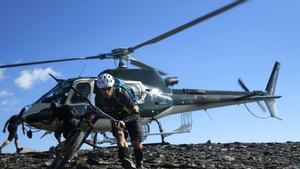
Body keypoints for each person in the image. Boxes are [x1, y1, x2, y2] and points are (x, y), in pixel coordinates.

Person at [95, 73, 144, 169]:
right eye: (103, 90)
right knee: (120, 135)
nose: (106, 91)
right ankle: (127, 160)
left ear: (112, 86)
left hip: (131, 117)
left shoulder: (122, 94)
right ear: (99, 89)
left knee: (136, 143)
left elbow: (136, 113)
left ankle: (139, 163)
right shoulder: (99, 98)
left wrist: (124, 121)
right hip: (116, 119)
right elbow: (98, 111)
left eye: (109, 88)